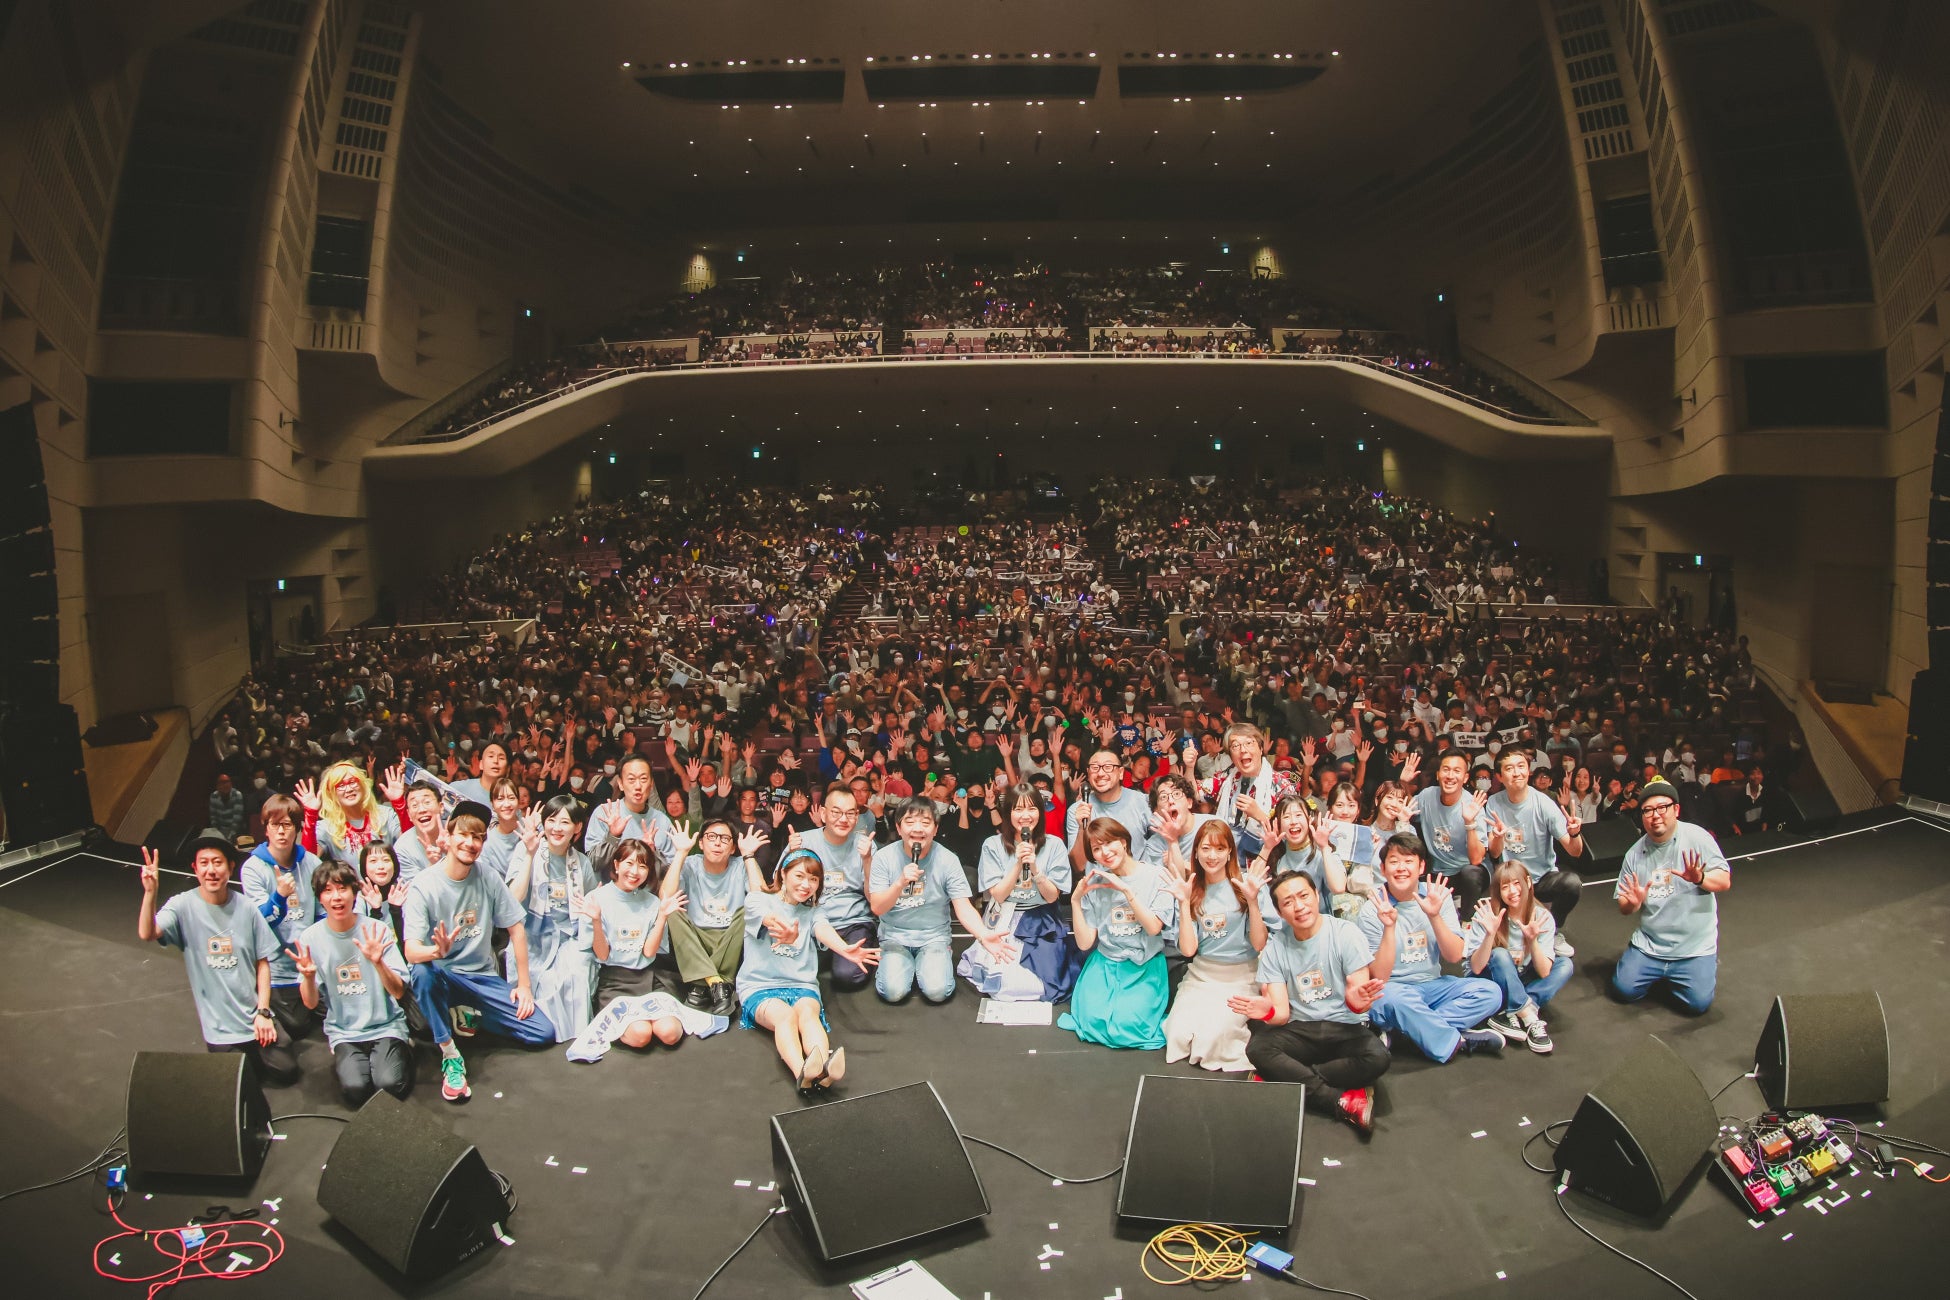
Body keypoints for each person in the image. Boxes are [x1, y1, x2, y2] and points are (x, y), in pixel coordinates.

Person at [403, 800, 556, 1102]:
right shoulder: (424, 885)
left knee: (542, 1032)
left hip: (482, 978)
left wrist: (523, 986)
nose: (471, 843)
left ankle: (464, 1016)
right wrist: (436, 950)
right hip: (444, 975)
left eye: (479, 837)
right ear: (447, 836)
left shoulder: (487, 876)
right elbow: (411, 952)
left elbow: (516, 928)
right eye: (464, 834)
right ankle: (450, 1053)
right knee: (423, 973)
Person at [137, 831, 298, 1085]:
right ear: (195, 868)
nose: (211, 870)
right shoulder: (181, 906)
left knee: (287, 1070)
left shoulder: (246, 908)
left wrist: (264, 1012)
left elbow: (263, 963)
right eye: (204, 863)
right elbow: (147, 933)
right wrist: (150, 893)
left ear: (230, 867)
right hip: (221, 1029)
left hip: (253, 1015)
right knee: (239, 1082)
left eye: (217, 862)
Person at [1234, 871, 1389, 1133]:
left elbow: (1359, 1001)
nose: (1299, 906)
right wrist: (1267, 1011)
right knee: (1258, 1049)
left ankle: (1284, 1079)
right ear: (1280, 912)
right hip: (1300, 1030)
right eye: (1288, 902)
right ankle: (1339, 1101)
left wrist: (1356, 1002)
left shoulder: (1346, 933)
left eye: (1304, 896)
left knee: (1378, 1058)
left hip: (1344, 1028)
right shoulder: (1276, 947)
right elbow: (1281, 1014)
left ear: (1317, 896)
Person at [739, 847, 881, 1091]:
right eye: (800, 876)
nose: (807, 885)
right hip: (760, 985)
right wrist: (784, 929)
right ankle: (802, 1073)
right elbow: (767, 918)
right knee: (785, 1016)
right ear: (783, 874)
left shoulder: (815, 911)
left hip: (802, 985)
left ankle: (824, 1068)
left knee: (807, 1014)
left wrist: (844, 948)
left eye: (814, 879)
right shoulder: (758, 898)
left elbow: (823, 929)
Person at [1358, 832, 1504, 1063]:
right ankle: (1458, 1041)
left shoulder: (1438, 895)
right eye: (1394, 862)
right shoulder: (1372, 908)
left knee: (1491, 993)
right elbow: (1380, 976)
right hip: (1394, 991)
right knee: (1391, 1000)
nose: (1401, 868)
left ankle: (1411, 1032)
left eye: (1408, 861)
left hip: (1433, 986)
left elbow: (1454, 956)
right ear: (1383, 869)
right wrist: (1389, 927)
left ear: (1421, 866)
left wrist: (1434, 916)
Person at [292, 860, 413, 1106]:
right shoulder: (310, 938)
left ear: (354, 893)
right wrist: (307, 976)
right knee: (356, 1090)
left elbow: (399, 992)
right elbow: (310, 1002)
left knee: (389, 1086)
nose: (336, 897)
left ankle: (403, 1047)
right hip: (345, 1032)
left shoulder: (376, 930)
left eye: (342, 889)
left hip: (385, 1025)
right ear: (320, 898)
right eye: (327, 890)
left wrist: (379, 962)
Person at [869, 797, 1012, 1003]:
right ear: (899, 828)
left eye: (925, 823)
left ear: (935, 829)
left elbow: (963, 905)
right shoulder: (884, 858)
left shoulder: (948, 859)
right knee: (893, 993)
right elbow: (877, 907)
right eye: (910, 822)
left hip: (933, 936)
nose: (918, 829)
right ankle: (904, 966)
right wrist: (900, 882)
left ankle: (929, 963)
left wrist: (983, 935)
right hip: (894, 936)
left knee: (937, 993)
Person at [1611, 777, 1730, 1014]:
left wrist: (1700, 879)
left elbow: (1725, 881)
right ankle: (1655, 969)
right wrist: (1632, 904)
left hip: (1694, 946)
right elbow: (1623, 905)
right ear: (1642, 816)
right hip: (1651, 945)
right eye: (1648, 810)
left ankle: (1694, 969)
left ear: (1676, 809)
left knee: (1697, 1005)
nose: (1655, 815)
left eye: (1662, 808)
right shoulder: (1634, 854)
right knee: (1623, 991)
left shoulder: (1698, 838)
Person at [1161, 821, 1269, 1071]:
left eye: (1220, 849)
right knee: (1177, 1036)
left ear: (1230, 852)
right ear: (1196, 851)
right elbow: (1188, 951)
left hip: (1240, 976)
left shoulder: (1244, 886)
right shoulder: (1192, 889)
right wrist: (1183, 903)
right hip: (1202, 975)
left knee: (1210, 1040)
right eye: (1206, 848)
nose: (1212, 856)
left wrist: (1253, 903)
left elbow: (1259, 943)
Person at [1061, 817, 1176, 1049]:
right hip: (1104, 965)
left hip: (1143, 968)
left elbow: (1154, 928)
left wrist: (1127, 891)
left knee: (1128, 1027)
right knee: (1093, 1021)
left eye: (1109, 843)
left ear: (1124, 842)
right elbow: (1084, 944)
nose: (1104, 852)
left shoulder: (1157, 876)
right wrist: (1075, 900)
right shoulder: (1096, 884)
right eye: (1096, 848)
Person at [968, 781, 1078, 1002]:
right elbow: (998, 895)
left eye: (1031, 808)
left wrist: (1036, 869)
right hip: (1004, 916)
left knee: (1040, 987)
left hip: (1041, 918)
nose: (1025, 815)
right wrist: (1018, 864)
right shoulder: (992, 844)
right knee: (1006, 987)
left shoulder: (1055, 844)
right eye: (1018, 809)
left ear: (1040, 811)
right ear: (1008, 813)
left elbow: (1052, 896)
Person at [509, 793, 600, 1041]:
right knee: (545, 979)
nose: (557, 828)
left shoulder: (581, 862)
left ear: (577, 828)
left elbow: (591, 905)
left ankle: (577, 1035)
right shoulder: (525, 850)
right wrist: (529, 855)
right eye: (551, 820)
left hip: (570, 935)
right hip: (532, 934)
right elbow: (512, 900)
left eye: (565, 822)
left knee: (578, 972)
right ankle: (543, 1030)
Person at [582, 839, 686, 1050]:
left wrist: (663, 917)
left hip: (649, 978)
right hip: (615, 982)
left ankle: (646, 1018)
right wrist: (595, 920)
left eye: (643, 865)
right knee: (641, 1035)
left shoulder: (653, 902)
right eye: (629, 863)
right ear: (616, 864)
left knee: (670, 1033)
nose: (635, 871)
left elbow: (648, 952)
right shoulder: (596, 898)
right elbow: (602, 955)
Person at [239, 793, 323, 1041]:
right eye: (275, 824)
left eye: (288, 825)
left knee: (331, 1013)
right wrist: (280, 896)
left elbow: (321, 913)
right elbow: (261, 922)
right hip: (278, 968)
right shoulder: (253, 868)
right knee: (299, 1027)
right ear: (265, 828)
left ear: (297, 829)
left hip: (310, 964)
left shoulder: (312, 862)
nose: (282, 832)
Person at [1484, 750, 1584, 957]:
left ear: (1528, 771)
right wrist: (1498, 836)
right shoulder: (1494, 803)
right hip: (1511, 883)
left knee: (1572, 883)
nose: (1516, 772)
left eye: (1521, 766)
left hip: (1542, 879)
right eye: (1509, 768)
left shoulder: (1544, 803)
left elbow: (1575, 851)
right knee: (1504, 950)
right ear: (1500, 776)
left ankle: (1553, 930)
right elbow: (1494, 852)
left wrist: (1575, 833)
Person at [1466, 862, 1569, 1053]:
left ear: (1528, 883)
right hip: (1491, 979)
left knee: (1564, 965)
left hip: (1521, 975)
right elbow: (1476, 968)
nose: (1512, 891)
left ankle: (1510, 1010)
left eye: (1516, 883)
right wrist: (1490, 934)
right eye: (1505, 887)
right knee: (1499, 954)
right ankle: (1529, 1017)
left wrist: (1532, 941)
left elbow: (1544, 971)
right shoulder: (1487, 914)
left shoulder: (1542, 917)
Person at [659, 819, 750, 1017]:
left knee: (750, 909)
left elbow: (761, 898)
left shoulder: (740, 866)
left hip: (729, 938)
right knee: (672, 909)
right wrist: (681, 853)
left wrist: (749, 856)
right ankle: (718, 984)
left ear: (733, 847)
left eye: (725, 839)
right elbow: (665, 897)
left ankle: (700, 984)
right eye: (711, 837)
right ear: (701, 843)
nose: (717, 843)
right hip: (696, 938)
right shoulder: (690, 864)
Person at [799, 783, 877, 989]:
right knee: (794, 970)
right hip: (813, 921)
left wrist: (867, 860)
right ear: (823, 814)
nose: (844, 819)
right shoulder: (803, 841)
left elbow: (873, 900)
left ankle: (855, 949)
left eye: (851, 813)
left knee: (847, 976)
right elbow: (782, 892)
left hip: (853, 921)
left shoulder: (865, 845)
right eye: (836, 812)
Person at [1410, 751, 1492, 914]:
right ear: (1438, 774)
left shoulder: (1472, 805)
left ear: (1466, 778)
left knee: (1471, 873)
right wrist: (1405, 783)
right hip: (1438, 872)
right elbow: (1404, 811)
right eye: (1446, 770)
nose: (1450, 776)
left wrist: (1469, 823)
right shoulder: (1427, 796)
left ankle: (1468, 922)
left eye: (1457, 771)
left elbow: (1476, 859)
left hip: (1467, 872)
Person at [1203, 723, 1297, 861]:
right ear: (1231, 756)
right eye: (1235, 746)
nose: (1243, 750)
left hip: (1265, 862)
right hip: (1225, 858)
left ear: (1260, 748)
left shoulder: (1281, 785)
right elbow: (1195, 794)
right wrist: (1189, 766)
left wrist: (1259, 815)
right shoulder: (1227, 778)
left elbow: (1292, 831)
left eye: (1249, 743)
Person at [586, 754, 682, 871]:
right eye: (631, 779)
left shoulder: (663, 821)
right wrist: (612, 837)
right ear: (620, 784)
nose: (638, 786)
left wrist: (652, 854)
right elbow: (593, 864)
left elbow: (671, 872)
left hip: (649, 889)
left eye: (643, 779)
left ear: (651, 784)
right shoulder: (604, 814)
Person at [1065, 749, 1151, 873]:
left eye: (1108, 767)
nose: (1100, 773)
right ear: (1088, 773)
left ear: (1121, 772)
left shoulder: (1142, 802)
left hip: (1137, 883)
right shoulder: (1077, 811)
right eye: (1095, 767)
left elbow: (1160, 845)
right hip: (1099, 887)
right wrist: (1082, 828)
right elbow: (1079, 866)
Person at [307, 761, 404, 867]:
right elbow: (308, 862)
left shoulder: (385, 815)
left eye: (352, 782)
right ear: (332, 793)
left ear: (362, 785)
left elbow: (410, 844)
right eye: (340, 785)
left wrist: (399, 804)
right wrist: (310, 815)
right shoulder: (327, 827)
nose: (348, 789)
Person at [392, 780, 448, 885]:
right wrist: (432, 865)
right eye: (414, 805)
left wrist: (451, 853)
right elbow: (415, 894)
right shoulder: (402, 849)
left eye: (427, 802)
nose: (421, 809)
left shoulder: (458, 833)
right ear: (409, 815)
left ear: (441, 807)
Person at [208, 774, 246, 842]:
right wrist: (217, 834)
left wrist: (230, 837)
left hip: (235, 832)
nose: (225, 785)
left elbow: (237, 819)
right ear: (217, 785)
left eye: (227, 782)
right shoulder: (213, 796)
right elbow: (213, 818)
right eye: (222, 782)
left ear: (231, 783)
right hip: (220, 831)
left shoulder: (237, 795)